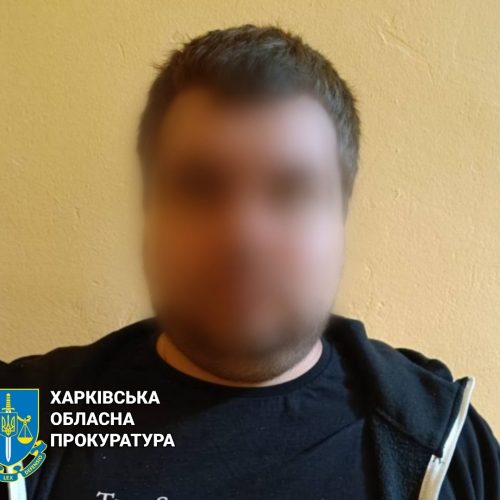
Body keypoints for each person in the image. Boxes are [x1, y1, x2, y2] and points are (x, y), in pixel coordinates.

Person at [1, 24, 498, 500]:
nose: (243, 234)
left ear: (340, 221)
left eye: (290, 191)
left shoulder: (448, 443)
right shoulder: (22, 418)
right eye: (200, 187)